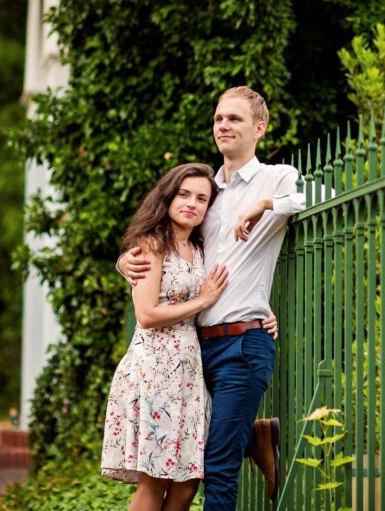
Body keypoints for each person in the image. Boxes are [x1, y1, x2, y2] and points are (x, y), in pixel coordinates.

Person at [119, 86, 305, 509]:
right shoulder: (206, 192)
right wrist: (124, 262)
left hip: (244, 342)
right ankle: (255, 437)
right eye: (219, 118)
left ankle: (249, 437)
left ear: (259, 128)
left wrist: (265, 204)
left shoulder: (276, 177)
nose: (224, 125)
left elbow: (323, 196)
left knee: (217, 464)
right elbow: (170, 245)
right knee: (196, 461)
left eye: (235, 119)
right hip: (194, 348)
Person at [101, 162, 228, 511]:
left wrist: (265, 313)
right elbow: (147, 316)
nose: (192, 203)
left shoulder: (201, 250)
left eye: (201, 198)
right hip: (154, 371)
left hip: (188, 373)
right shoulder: (152, 245)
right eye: (184, 194)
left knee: (187, 484)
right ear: (168, 198)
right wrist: (201, 300)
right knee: (154, 482)